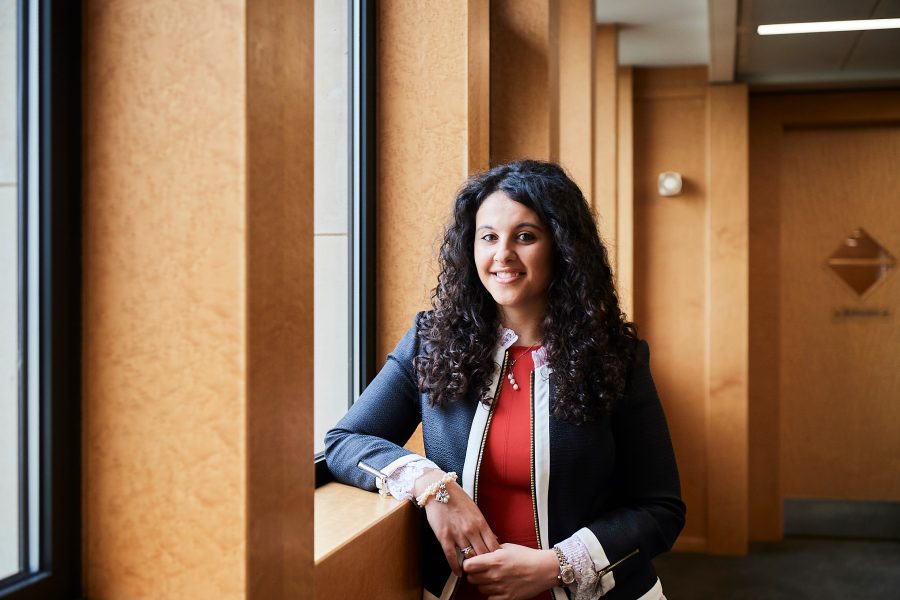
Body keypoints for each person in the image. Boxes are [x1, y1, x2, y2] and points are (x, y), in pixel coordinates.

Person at [325, 160, 685, 600]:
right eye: (489, 237)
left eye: (526, 236)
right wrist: (434, 487)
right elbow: (346, 440)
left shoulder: (616, 356)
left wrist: (558, 566)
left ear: (562, 246)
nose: (503, 255)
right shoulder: (430, 341)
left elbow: (660, 508)